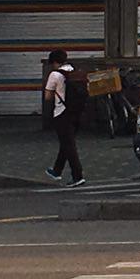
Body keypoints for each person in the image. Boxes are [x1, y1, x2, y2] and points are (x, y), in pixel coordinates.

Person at [43, 49, 86, 187]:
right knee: (66, 143)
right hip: (77, 112)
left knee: (69, 145)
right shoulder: (74, 71)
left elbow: (48, 97)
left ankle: (77, 175)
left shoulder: (55, 75)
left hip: (62, 113)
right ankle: (57, 170)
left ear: (54, 62)